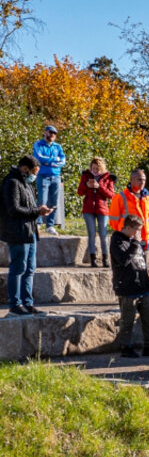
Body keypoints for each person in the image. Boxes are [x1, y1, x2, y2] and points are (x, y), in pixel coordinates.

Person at [2, 156, 51, 316]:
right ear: (25, 169)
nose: (34, 176)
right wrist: (38, 211)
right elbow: (13, 209)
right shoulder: (12, 183)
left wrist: (39, 209)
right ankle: (15, 304)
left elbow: (28, 207)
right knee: (18, 268)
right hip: (17, 233)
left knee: (30, 269)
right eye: (34, 173)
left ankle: (27, 303)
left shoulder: (25, 184)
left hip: (30, 232)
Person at [109, 214, 149, 358]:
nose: (138, 233)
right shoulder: (117, 240)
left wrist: (148, 283)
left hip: (142, 286)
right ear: (128, 227)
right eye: (136, 230)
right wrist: (135, 244)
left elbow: (142, 262)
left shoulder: (135, 242)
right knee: (127, 320)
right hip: (127, 287)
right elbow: (123, 260)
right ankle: (126, 347)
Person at [76, 157, 115, 267]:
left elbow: (111, 195)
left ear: (102, 168)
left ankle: (105, 258)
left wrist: (99, 187)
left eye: (98, 169)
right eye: (93, 168)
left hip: (102, 209)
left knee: (103, 234)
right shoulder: (86, 176)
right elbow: (79, 192)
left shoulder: (108, 178)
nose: (95, 170)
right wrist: (86, 185)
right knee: (91, 234)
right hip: (88, 209)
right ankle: (93, 259)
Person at [107, 168, 149, 249]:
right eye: (139, 180)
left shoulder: (147, 197)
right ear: (131, 180)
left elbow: (147, 217)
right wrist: (124, 233)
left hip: (143, 237)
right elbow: (113, 220)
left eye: (144, 180)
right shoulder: (120, 197)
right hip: (127, 238)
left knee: (142, 261)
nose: (142, 182)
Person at [33, 125, 65, 233]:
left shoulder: (58, 147)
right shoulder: (38, 144)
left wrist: (49, 162)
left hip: (56, 177)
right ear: (45, 132)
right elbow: (40, 158)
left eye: (54, 133)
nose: (52, 135)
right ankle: (38, 222)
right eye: (50, 132)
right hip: (43, 176)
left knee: (54, 201)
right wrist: (54, 160)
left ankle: (50, 225)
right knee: (42, 200)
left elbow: (63, 161)